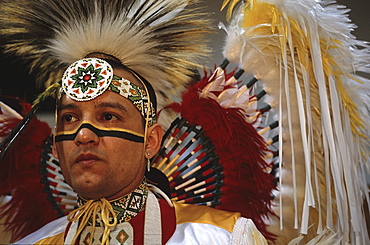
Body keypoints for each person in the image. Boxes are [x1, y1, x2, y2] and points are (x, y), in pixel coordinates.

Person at [10, 54, 267, 244]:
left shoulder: (224, 237)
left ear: (151, 141)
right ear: (55, 146)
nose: (84, 134)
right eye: (69, 119)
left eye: (108, 116)